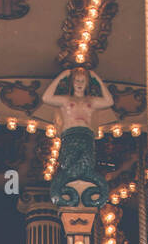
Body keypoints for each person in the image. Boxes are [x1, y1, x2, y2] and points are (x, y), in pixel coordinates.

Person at [42, 66, 114, 209]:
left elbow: (109, 101)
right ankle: (68, 193)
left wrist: (97, 79)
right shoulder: (65, 100)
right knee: (70, 165)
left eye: (83, 81)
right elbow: (46, 98)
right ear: (72, 83)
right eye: (76, 81)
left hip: (86, 135)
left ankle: (77, 192)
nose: (79, 84)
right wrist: (62, 76)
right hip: (70, 136)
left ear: (87, 83)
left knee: (87, 164)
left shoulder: (91, 101)